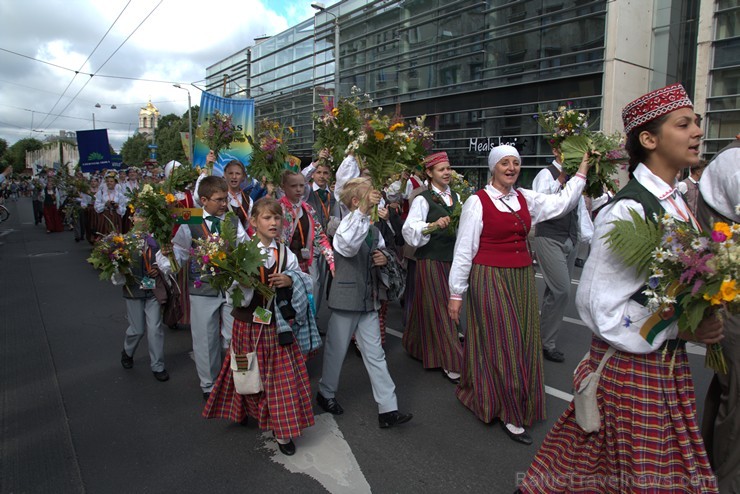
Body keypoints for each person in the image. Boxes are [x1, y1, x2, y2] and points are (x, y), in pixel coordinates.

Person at [519, 83, 722, 493]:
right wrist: (678, 326)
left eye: (697, 123)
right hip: (634, 372)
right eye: (683, 124)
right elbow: (598, 305)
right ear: (649, 139)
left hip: (663, 367)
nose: (697, 132)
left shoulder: (675, 202)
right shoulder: (629, 208)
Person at [448, 145, 588, 444]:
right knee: (504, 340)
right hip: (490, 276)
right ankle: (509, 412)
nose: (511, 168)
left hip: (522, 277)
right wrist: (456, 293)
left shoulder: (525, 197)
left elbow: (561, 203)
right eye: (504, 163)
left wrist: (582, 172)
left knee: (522, 339)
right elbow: (464, 250)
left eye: (515, 163)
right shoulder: (478, 201)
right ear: (493, 167)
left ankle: (497, 393)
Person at [203, 197, 315, 456]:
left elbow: (304, 280)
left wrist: (289, 279)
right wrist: (243, 284)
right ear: (253, 222)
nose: (273, 222)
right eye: (267, 218)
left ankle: (282, 430)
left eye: (277, 218)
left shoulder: (285, 252)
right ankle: (242, 409)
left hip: (277, 325)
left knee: (280, 377)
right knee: (246, 371)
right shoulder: (239, 252)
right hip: (247, 324)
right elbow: (230, 294)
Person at [317, 178, 413, 429]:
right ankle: (326, 393)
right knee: (336, 351)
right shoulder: (342, 224)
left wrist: (384, 257)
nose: (375, 196)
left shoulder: (373, 228)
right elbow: (347, 247)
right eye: (369, 195)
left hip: (369, 299)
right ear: (356, 201)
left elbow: (384, 249)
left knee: (376, 355)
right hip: (347, 299)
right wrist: (361, 213)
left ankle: (388, 408)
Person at [532, 144, 609, 363]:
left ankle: (542, 337)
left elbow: (582, 209)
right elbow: (542, 204)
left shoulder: (579, 176)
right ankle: (547, 343)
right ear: (556, 151)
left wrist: (589, 236)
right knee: (562, 290)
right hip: (549, 236)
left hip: (570, 237)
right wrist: (564, 178)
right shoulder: (546, 174)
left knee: (555, 291)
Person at [172, 176, 248, 400]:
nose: (225, 204)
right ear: (203, 200)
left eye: (226, 199)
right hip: (202, 287)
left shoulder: (232, 219)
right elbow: (180, 250)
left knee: (236, 335)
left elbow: (242, 245)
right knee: (205, 337)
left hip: (230, 286)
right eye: (219, 200)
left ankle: (239, 378)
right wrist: (168, 257)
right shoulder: (191, 219)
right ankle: (209, 384)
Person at [698, 134, 739, 494]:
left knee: (728, 388)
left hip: (728, 291)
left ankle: (710, 470)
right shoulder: (733, 162)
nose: (697, 133)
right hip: (729, 296)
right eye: (685, 125)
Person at [401, 152, 463, 383]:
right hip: (431, 259)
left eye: (448, 168)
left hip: (452, 259)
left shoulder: (457, 196)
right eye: (441, 169)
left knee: (426, 305)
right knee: (442, 307)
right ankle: (452, 361)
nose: (446, 172)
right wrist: (432, 225)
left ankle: (415, 345)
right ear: (429, 173)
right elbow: (410, 229)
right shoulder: (422, 199)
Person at [118, 216, 172, 382]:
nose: (142, 220)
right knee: (137, 329)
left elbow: (168, 263)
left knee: (155, 328)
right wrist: (120, 268)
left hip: (152, 291)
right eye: (139, 216)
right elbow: (116, 268)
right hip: (133, 290)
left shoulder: (156, 240)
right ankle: (127, 351)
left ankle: (158, 365)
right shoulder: (123, 241)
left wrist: (158, 269)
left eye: (145, 217)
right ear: (133, 219)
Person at [278, 170, 335, 284]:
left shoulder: (308, 209)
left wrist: (332, 262)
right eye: (293, 186)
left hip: (303, 263)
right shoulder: (278, 209)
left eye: (302, 185)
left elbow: (320, 236)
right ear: (283, 187)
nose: (298, 189)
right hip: (282, 263)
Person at [222, 159, 254, 235]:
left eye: (238, 174)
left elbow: (247, 226)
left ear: (243, 177)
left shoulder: (248, 200)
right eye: (230, 173)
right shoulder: (219, 196)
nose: (234, 176)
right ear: (225, 175)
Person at [94, 171, 125, 236]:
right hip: (104, 217)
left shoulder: (119, 195)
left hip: (115, 217)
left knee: (116, 236)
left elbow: (123, 209)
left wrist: (117, 206)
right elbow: (96, 206)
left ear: (115, 183)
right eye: (107, 181)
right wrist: (105, 204)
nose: (109, 183)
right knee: (104, 235)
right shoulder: (101, 193)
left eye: (111, 181)